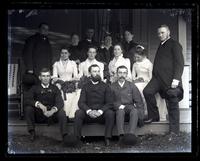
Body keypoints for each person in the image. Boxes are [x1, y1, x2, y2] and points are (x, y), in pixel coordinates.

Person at [143, 25, 184, 136]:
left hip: (170, 80)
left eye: (163, 32)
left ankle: (174, 131)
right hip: (157, 79)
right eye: (159, 33)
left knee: (172, 100)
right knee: (147, 91)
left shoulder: (174, 44)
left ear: (168, 32)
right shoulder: (161, 45)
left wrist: (176, 79)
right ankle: (154, 116)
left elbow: (179, 63)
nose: (160, 35)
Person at [74, 64, 115, 146]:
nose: (97, 73)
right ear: (89, 74)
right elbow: (81, 102)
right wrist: (89, 111)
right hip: (88, 115)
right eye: (94, 71)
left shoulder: (106, 86)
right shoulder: (85, 86)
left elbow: (109, 103)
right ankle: (77, 138)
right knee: (78, 113)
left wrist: (100, 111)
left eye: (98, 71)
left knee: (110, 113)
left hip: (101, 115)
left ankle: (107, 138)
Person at [24, 68, 68, 142]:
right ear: (40, 77)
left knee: (62, 112)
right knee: (28, 108)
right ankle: (32, 132)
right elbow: (27, 99)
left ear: (50, 77)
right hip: (39, 115)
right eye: (43, 76)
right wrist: (39, 104)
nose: (45, 78)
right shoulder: (34, 88)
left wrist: (53, 110)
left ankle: (64, 135)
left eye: (47, 76)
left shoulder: (55, 88)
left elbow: (60, 102)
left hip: (52, 116)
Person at [132, 45, 167, 120]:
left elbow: (151, 77)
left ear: (143, 56)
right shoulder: (135, 64)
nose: (136, 59)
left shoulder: (149, 64)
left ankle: (147, 113)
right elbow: (133, 76)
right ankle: (138, 113)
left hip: (147, 82)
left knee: (145, 91)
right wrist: (135, 80)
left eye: (138, 57)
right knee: (135, 88)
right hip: (137, 82)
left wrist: (145, 81)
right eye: (135, 57)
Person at [111, 65, 144, 143]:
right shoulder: (112, 86)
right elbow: (109, 101)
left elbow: (139, 101)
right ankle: (121, 135)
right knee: (120, 111)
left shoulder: (131, 86)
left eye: (124, 73)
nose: (122, 75)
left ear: (126, 74)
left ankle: (131, 135)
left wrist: (141, 116)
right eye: (120, 73)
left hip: (129, 108)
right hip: (118, 109)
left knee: (135, 111)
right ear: (116, 74)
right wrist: (118, 106)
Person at [52, 46, 80, 119]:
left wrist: (70, 82)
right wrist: (61, 82)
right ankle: (63, 115)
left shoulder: (73, 63)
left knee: (76, 93)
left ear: (69, 54)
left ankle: (71, 115)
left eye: (65, 53)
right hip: (60, 84)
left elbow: (76, 76)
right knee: (60, 93)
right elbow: (54, 77)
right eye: (62, 53)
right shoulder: (56, 64)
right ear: (60, 54)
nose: (64, 55)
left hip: (71, 84)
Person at [22, 22, 53, 90]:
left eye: (47, 29)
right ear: (39, 29)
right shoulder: (32, 39)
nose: (46, 30)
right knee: (35, 89)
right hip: (35, 70)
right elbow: (27, 54)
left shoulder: (47, 41)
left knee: (44, 89)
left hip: (45, 70)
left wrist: (50, 68)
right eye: (43, 28)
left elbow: (49, 55)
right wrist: (30, 68)